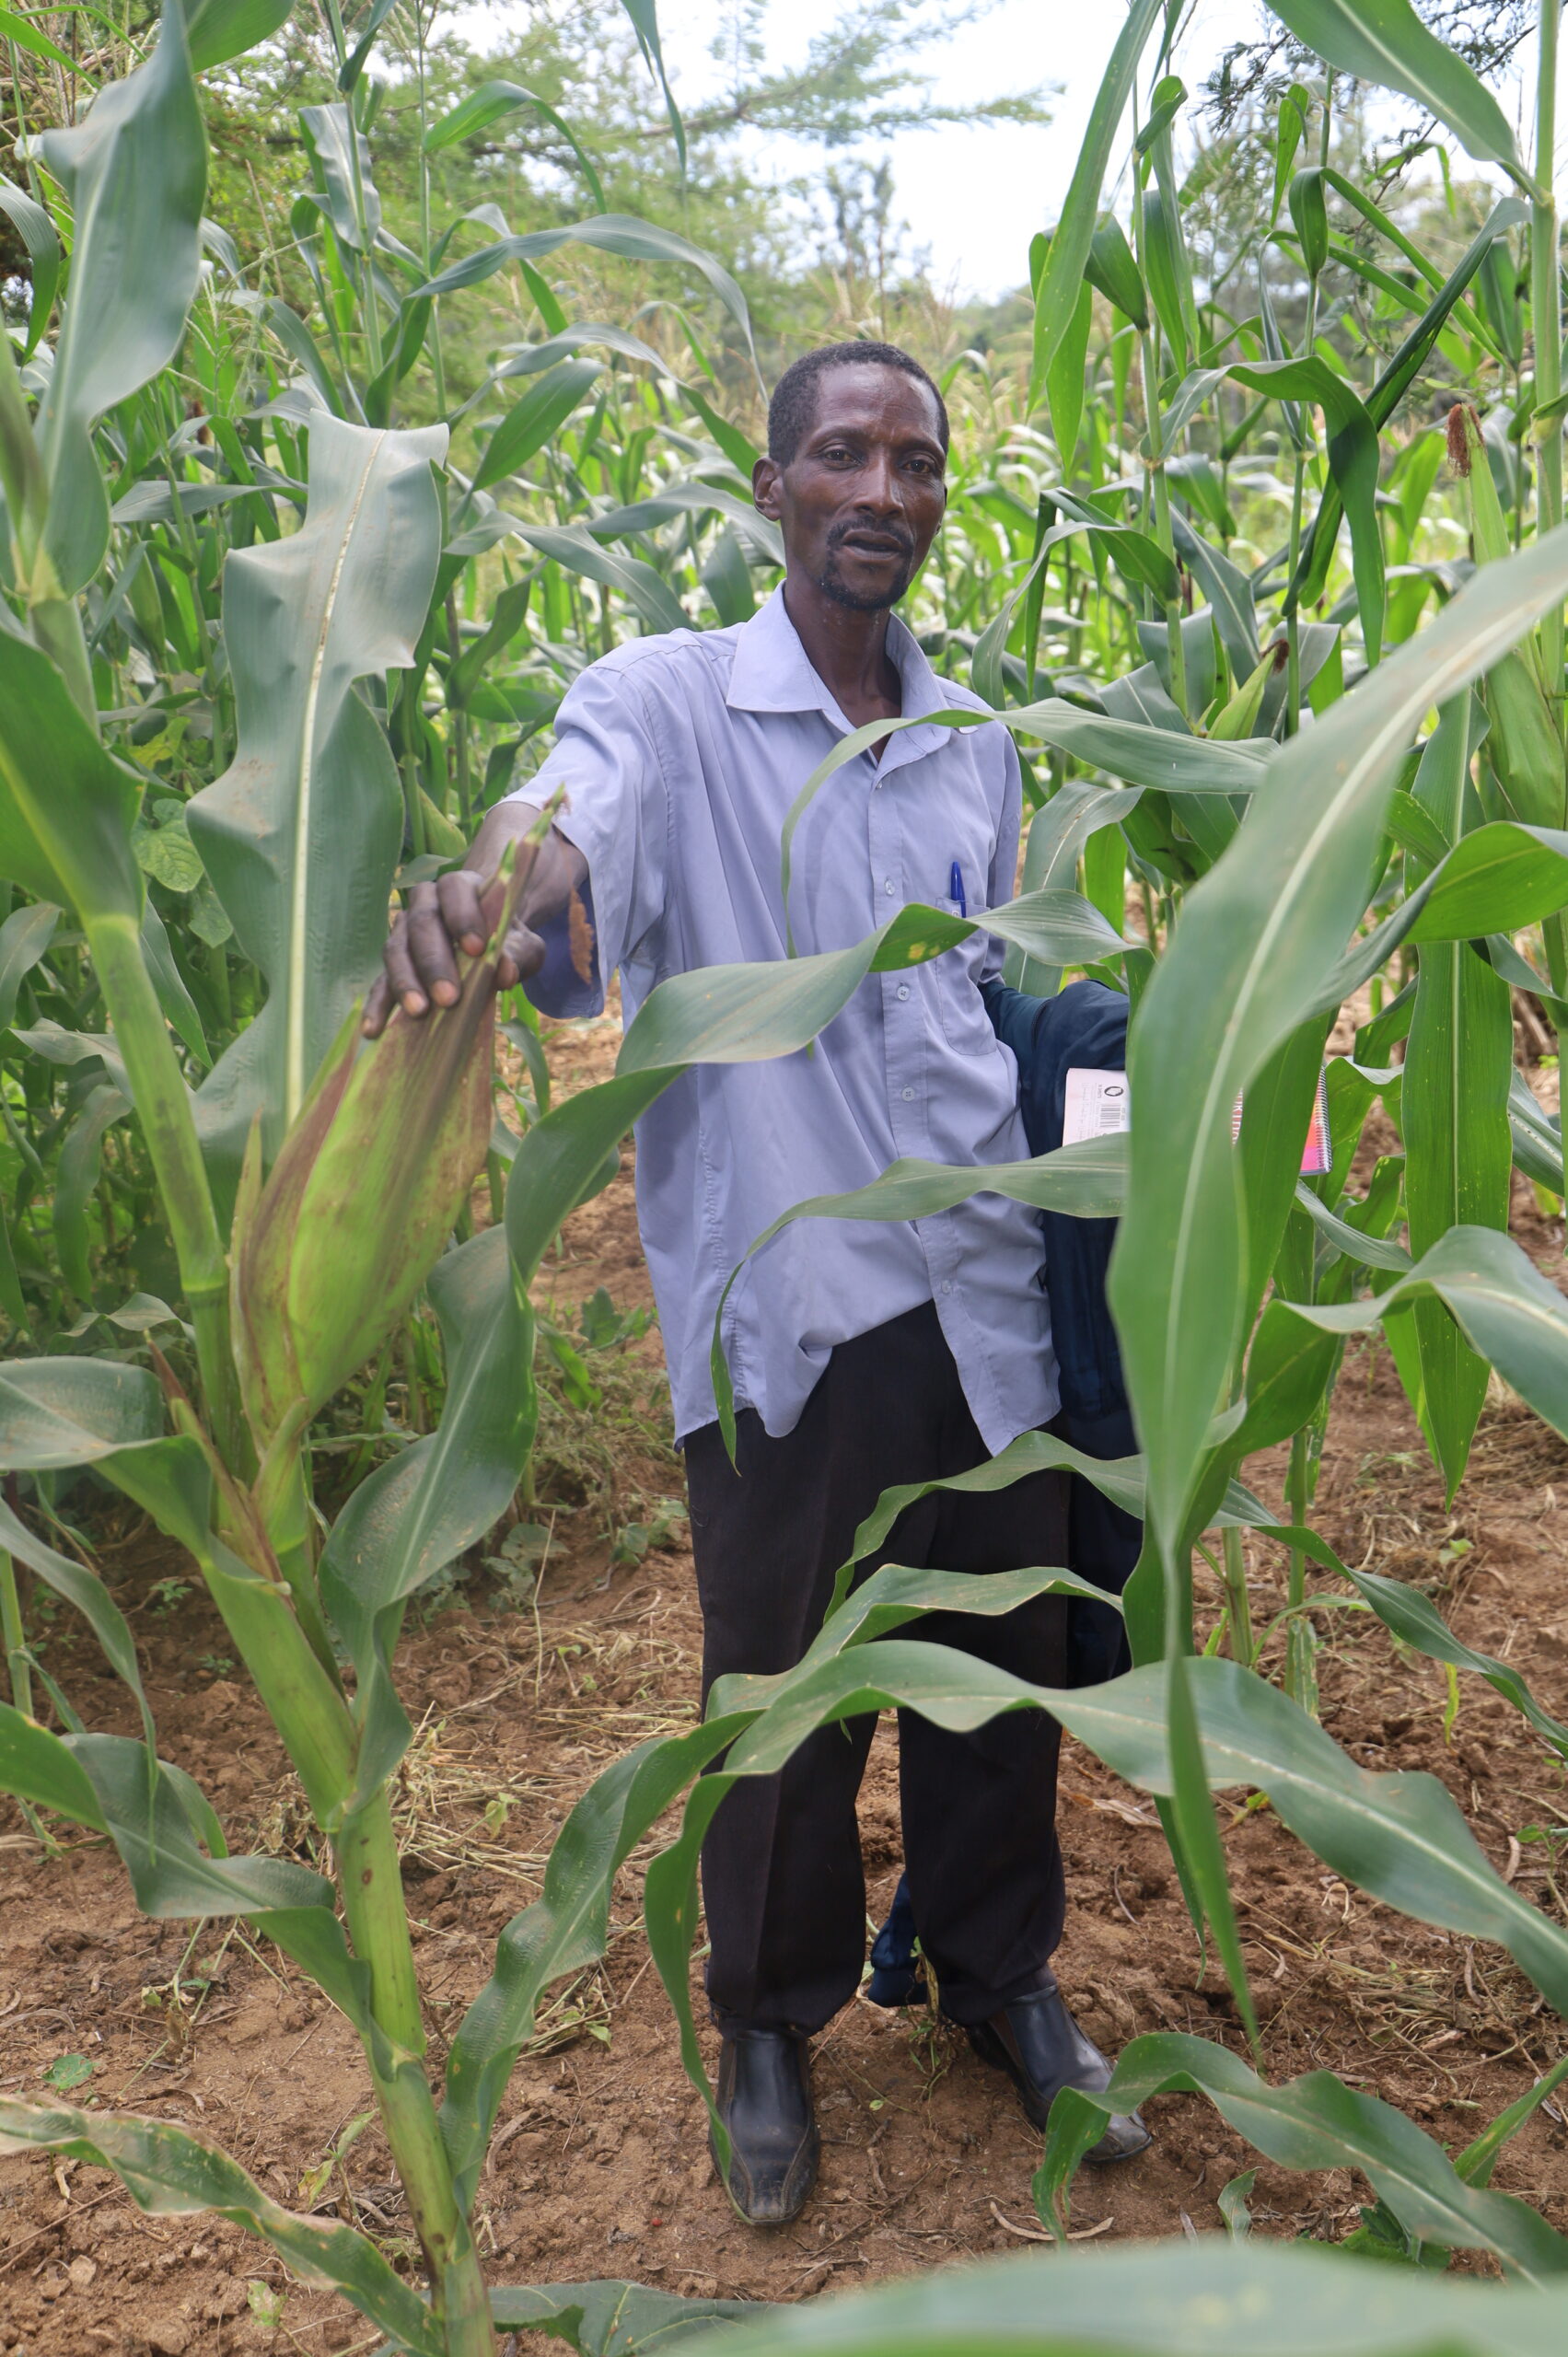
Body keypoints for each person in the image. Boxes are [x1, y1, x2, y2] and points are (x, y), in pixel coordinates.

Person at [365, 341, 1150, 2223]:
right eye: (843, 455)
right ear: (771, 486)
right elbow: (567, 826)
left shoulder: (971, 741)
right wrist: (495, 885)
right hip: (796, 1296)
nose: (884, 490)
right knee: (783, 1693)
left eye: (917, 461)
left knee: (1001, 1661)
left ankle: (997, 1973)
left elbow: (977, 987)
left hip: (988, 1281)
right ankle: (770, 2022)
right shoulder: (672, 704)